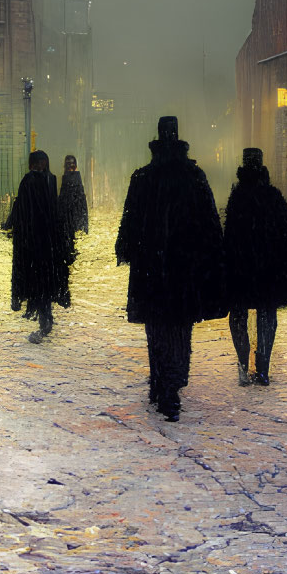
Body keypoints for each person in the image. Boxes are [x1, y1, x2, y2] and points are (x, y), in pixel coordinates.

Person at [115, 116, 226, 422]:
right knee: (180, 325)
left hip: (151, 266)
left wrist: (128, 250)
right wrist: (213, 253)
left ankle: (160, 380)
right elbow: (209, 222)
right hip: (183, 266)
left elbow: (130, 222)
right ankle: (172, 384)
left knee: (157, 326)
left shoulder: (142, 179)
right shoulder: (194, 176)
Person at [221, 147, 287, 386]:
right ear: (262, 166)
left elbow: (229, 233)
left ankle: (243, 365)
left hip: (241, 266)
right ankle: (262, 367)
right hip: (267, 267)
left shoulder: (237, 196)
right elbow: (285, 230)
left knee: (239, 314)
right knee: (266, 313)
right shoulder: (272, 195)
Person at [4, 149, 71, 344]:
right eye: (39, 163)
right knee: (44, 281)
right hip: (43, 241)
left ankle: (45, 317)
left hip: (38, 241)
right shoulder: (41, 181)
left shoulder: (41, 180)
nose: (41, 166)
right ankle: (45, 317)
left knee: (41, 281)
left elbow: (25, 207)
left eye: (43, 162)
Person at [59, 154, 89, 254]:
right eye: (68, 165)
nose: (70, 168)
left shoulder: (73, 178)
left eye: (72, 165)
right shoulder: (69, 178)